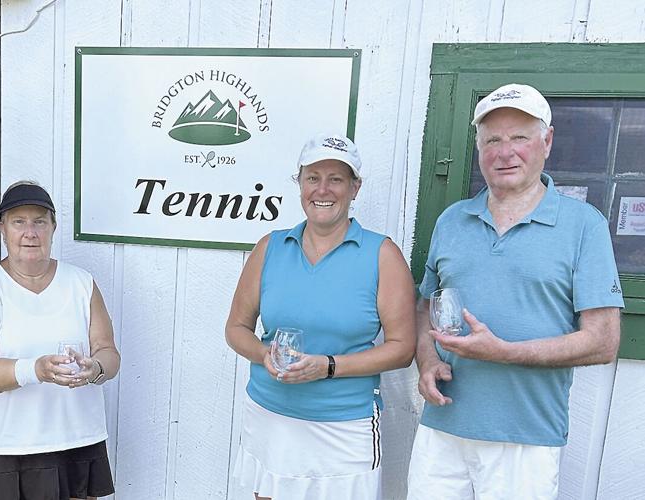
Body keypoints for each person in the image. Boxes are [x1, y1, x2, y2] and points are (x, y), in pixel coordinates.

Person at [407, 83, 625, 499]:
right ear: (479, 148)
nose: (505, 152)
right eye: (493, 140)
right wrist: (428, 360)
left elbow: (603, 342)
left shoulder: (584, 225)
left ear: (547, 141)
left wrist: (504, 353)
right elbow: (425, 306)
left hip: (526, 435)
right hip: (443, 426)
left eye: (520, 137)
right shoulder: (452, 221)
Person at [225, 133, 417, 499]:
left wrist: (328, 366)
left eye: (336, 179)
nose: (322, 189)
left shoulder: (382, 254)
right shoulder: (270, 247)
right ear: (299, 184)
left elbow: (402, 348)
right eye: (313, 178)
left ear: (355, 187)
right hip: (270, 412)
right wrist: (263, 355)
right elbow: (236, 328)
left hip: (343, 422)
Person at [0, 181, 119, 500]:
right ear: (2, 228)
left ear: (53, 227)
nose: (30, 232)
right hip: (15, 444)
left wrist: (95, 368)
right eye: (19, 222)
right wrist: (36, 370)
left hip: (78, 438)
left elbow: (109, 352)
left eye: (39, 221)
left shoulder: (81, 284)